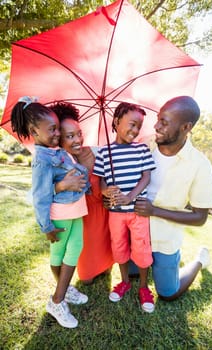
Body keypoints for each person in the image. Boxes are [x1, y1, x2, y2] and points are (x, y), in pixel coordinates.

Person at [10, 97, 89, 329]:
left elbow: (74, 172)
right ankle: (57, 300)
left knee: (72, 250)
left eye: (57, 129)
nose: (57, 134)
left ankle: (65, 290)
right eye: (52, 129)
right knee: (66, 252)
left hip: (76, 210)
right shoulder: (42, 160)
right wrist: (46, 227)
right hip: (61, 213)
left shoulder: (57, 152)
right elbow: (40, 197)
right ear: (35, 130)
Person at [133, 95, 212, 301]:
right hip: (136, 232)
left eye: (164, 122)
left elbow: (200, 217)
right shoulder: (143, 145)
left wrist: (155, 211)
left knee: (167, 294)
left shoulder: (200, 165)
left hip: (164, 240)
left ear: (186, 127)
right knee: (133, 274)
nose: (156, 126)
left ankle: (199, 260)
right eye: (158, 119)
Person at [93, 102, 156, 313]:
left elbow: (146, 177)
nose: (136, 130)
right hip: (115, 213)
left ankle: (145, 287)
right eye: (132, 124)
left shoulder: (141, 149)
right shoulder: (104, 152)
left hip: (137, 211)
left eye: (139, 126)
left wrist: (130, 196)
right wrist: (106, 191)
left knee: (142, 247)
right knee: (118, 246)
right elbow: (101, 181)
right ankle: (125, 281)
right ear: (117, 121)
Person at [51, 102, 114, 284]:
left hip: (102, 215)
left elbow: (108, 182)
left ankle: (107, 265)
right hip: (80, 219)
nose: (78, 140)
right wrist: (61, 185)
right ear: (59, 139)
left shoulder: (98, 153)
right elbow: (39, 193)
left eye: (79, 134)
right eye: (70, 136)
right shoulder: (57, 163)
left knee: (107, 264)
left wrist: (108, 196)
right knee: (86, 278)